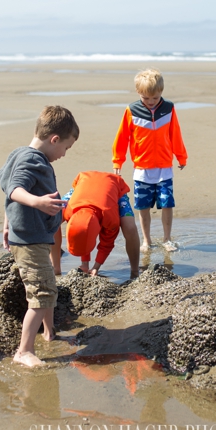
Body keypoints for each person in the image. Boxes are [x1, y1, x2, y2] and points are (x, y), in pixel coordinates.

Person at [0, 105, 78, 367]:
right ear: (54, 139)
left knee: (46, 287)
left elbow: (7, 190)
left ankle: (49, 331)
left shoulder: (18, 154)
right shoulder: (32, 160)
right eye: (65, 148)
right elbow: (14, 189)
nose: (64, 154)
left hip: (35, 236)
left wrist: (7, 222)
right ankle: (24, 351)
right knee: (41, 293)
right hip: (31, 240)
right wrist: (37, 203)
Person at [111, 68, 188, 253]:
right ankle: (146, 240)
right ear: (139, 93)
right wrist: (117, 161)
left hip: (164, 168)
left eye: (155, 97)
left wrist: (181, 155)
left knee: (167, 204)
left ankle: (167, 239)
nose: (151, 102)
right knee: (143, 207)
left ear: (161, 92)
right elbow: (122, 138)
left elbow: (175, 133)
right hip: (142, 169)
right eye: (146, 98)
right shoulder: (132, 110)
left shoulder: (168, 108)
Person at [57, 170, 141, 279]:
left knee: (130, 228)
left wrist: (96, 266)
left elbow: (107, 243)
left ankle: (134, 271)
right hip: (84, 183)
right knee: (52, 218)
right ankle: (56, 267)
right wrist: (85, 264)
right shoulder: (70, 211)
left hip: (113, 185)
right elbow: (81, 233)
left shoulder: (110, 218)